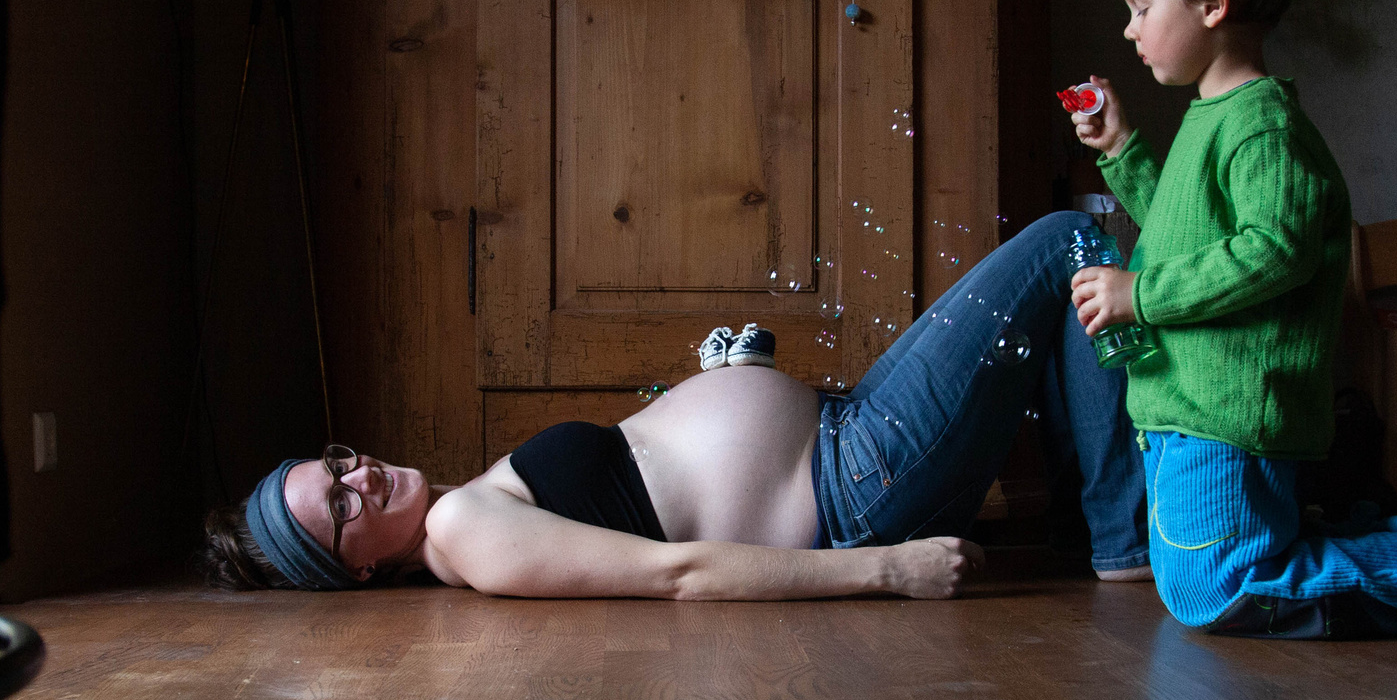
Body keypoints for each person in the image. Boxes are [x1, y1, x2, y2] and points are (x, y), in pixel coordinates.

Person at [201, 217, 1154, 601]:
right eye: (344, 509)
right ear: (356, 572)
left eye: (335, 466)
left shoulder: (469, 506)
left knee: (1056, 296)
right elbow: (676, 574)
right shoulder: (460, 529)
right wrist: (884, 571)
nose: (359, 477)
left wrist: (722, 381)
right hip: (855, 486)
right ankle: (1121, 543)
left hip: (843, 437)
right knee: (1073, 241)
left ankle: (1102, 529)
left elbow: (654, 484)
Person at [1066, 0, 1397, 635]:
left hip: (1226, 417)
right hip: (1190, 412)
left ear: (1211, 4)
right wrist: (1120, 148)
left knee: (1217, 586)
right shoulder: (1211, 117)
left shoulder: (1263, 126)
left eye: (1143, 7)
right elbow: (1190, 236)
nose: (1129, 28)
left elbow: (1273, 252)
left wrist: (1139, 297)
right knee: (1215, 574)